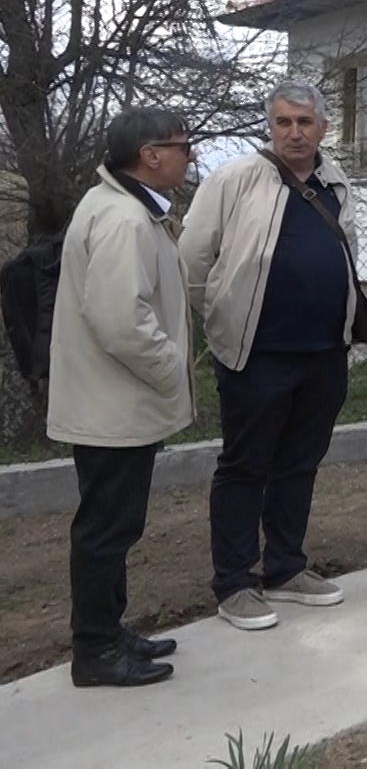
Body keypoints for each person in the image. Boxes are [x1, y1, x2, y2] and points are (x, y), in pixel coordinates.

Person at [181, 80, 363, 632]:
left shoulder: (335, 182)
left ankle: (286, 568)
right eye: (283, 121)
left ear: (324, 128)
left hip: (323, 352)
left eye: (304, 122)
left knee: (299, 463)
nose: (294, 132)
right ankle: (235, 582)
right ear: (271, 125)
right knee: (245, 466)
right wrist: (220, 317)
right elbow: (192, 258)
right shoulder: (236, 178)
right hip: (255, 355)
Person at [51, 108, 196, 687]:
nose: (190, 156)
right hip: (113, 406)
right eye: (182, 146)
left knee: (113, 526)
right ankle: (95, 650)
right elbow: (120, 321)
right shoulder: (124, 220)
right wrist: (171, 370)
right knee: (106, 530)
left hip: (115, 401)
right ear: (150, 156)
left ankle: (109, 632)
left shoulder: (128, 208)